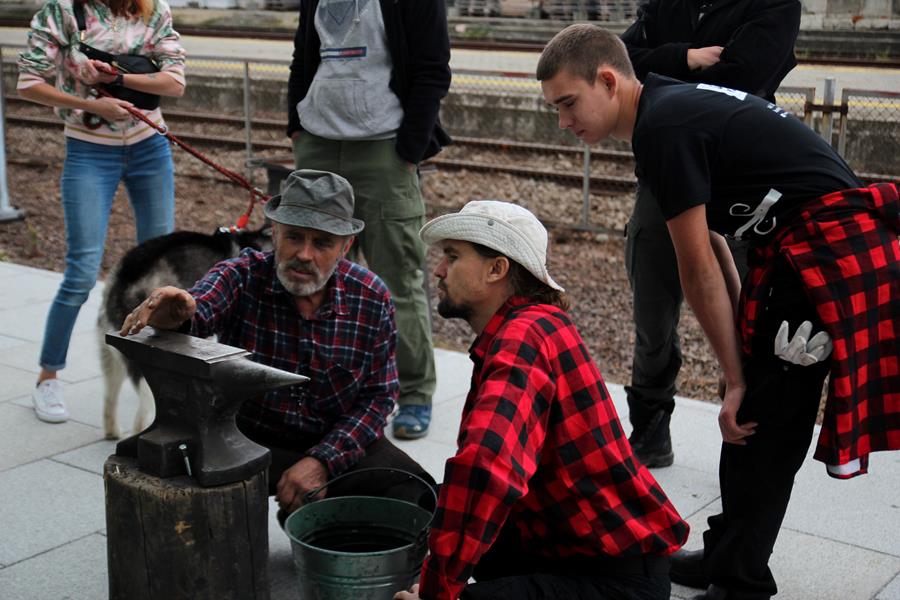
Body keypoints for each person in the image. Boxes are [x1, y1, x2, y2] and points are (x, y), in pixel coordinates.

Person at [537, 24, 899, 600]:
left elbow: (696, 269)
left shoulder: (663, 128)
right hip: (800, 252)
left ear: (607, 80)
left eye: (567, 103)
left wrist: (735, 380)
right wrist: (738, 368)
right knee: (754, 411)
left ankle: (741, 582)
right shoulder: (665, 109)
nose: (563, 121)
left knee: (765, 425)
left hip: (829, 255)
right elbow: (718, 247)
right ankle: (729, 552)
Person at [394, 200, 689, 600]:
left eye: (452, 256)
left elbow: (486, 466)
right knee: (427, 503)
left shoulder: (523, 339)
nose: (439, 270)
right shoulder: (534, 324)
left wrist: (436, 591)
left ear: (497, 269)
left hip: (615, 580)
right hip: (563, 544)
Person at [119, 170, 433, 517]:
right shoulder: (242, 274)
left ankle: (313, 520)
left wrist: (323, 460)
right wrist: (174, 312)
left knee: (414, 492)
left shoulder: (371, 297)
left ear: (345, 247)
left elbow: (379, 396)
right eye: (294, 237)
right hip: (244, 433)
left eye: (322, 243)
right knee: (141, 459)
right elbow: (196, 312)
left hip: (332, 435)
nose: (305, 254)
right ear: (275, 232)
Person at [618, 0, 801, 467]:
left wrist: (662, 75)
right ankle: (650, 431)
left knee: (750, 315)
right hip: (664, 171)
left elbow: (743, 76)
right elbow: (619, 61)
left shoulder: (775, 4)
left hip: (739, 180)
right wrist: (687, 57)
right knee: (652, 311)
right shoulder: (666, 4)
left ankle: (749, 434)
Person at [286, 0, 453, 439]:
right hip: (318, 144)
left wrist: (409, 150)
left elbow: (433, 69)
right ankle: (319, 386)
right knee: (311, 275)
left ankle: (414, 392)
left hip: (384, 149)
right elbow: (303, 54)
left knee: (399, 280)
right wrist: (296, 125)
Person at [18, 0, 186, 423]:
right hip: (89, 149)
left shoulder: (153, 10)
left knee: (158, 273)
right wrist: (94, 105)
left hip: (150, 148)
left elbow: (175, 83)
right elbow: (28, 83)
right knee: (80, 272)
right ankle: (48, 378)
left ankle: (159, 378)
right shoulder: (63, 11)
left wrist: (118, 77)